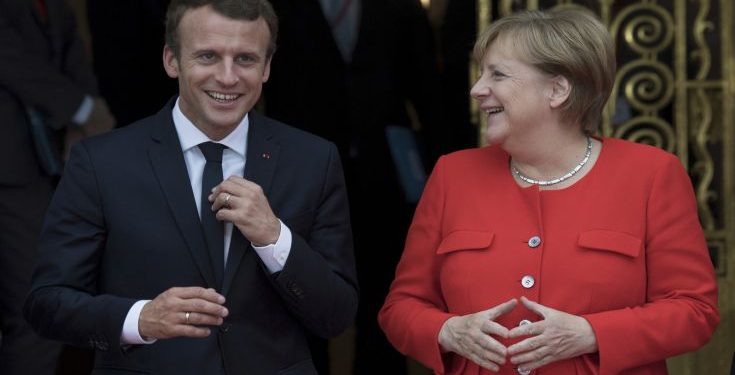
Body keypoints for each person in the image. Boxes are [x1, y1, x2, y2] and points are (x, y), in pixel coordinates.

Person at [24, 0, 358, 374]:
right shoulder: (101, 163)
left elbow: (336, 315)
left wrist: (274, 237)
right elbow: (46, 304)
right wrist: (141, 319)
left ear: (266, 67)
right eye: (208, 56)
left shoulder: (313, 159)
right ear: (172, 60)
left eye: (245, 59)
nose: (228, 77)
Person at [379, 9, 719, 375]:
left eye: (498, 74)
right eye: (481, 74)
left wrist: (591, 333)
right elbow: (401, 307)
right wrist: (447, 330)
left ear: (557, 89)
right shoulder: (453, 174)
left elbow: (694, 310)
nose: (477, 90)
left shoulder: (650, 174)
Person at [263, 1, 463, 373]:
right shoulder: (278, 8)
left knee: (384, 287)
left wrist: (446, 176)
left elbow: (427, 91)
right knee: (301, 287)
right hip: (301, 175)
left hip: (383, 173)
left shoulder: (400, 9)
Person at [0, 0, 114, 374]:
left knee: (38, 308)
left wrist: (90, 113)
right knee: (34, 310)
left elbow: (71, 49)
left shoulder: (58, 6)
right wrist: (80, 108)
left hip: (43, 165)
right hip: (14, 169)